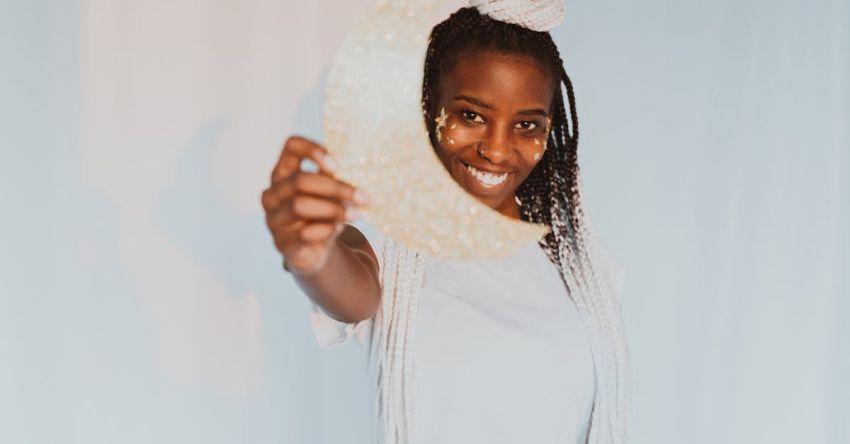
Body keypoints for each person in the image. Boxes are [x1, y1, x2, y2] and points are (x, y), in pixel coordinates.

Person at [261, 3, 629, 444]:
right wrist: (310, 255)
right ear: (427, 109)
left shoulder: (584, 271)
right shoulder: (389, 247)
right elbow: (351, 295)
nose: (496, 150)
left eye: (526, 125)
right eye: (471, 116)